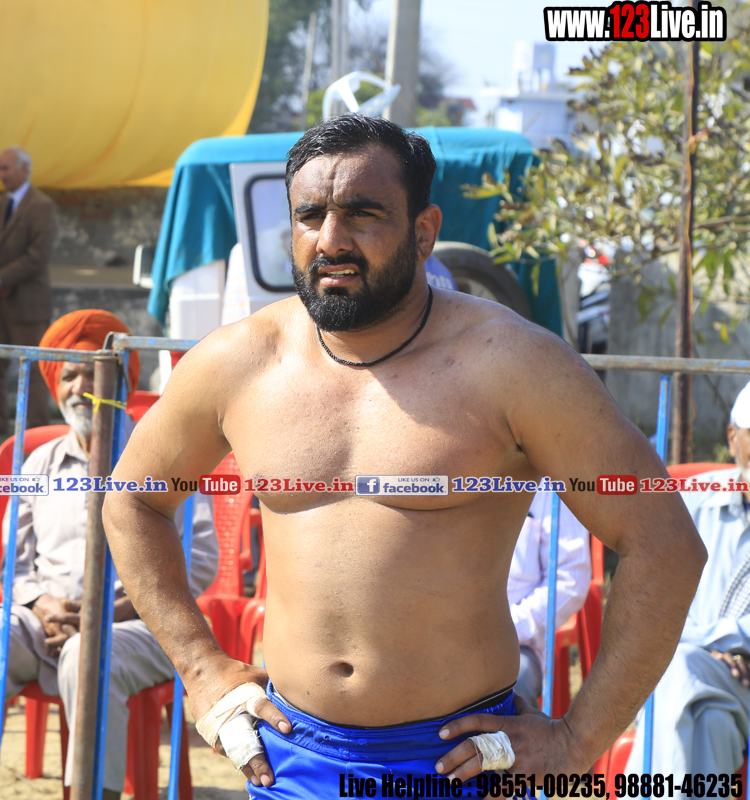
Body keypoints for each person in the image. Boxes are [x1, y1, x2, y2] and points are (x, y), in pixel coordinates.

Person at [102, 114, 706, 787]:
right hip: (291, 758)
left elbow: (663, 542)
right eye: (310, 215)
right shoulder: (240, 360)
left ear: (424, 232)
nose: (331, 239)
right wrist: (201, 667)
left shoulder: (515, 365)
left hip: (457, 763)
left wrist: (575, 741)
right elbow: (131, 501)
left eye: (363, 214)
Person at [0, 309, 217, 800]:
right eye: (69, 375)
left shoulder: (165, 455)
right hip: (48, 624)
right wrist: (42, 605)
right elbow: (14, 563)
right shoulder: (40, 463)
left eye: (93, 374)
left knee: (86, 654)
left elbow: (200, 558)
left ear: (122, 382)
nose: (81, 387)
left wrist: (110, 613)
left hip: (142, 628)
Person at [627, 381, 750, 774]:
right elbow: (651, 603)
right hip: (693, 673)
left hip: (738, 676)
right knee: (711, 722)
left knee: (678, 666)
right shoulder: (694, 502)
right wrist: (710, 650)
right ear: (732, 438)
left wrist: (698, 645)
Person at [0, 146, 56, 434]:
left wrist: (3, 278)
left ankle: (35, 427)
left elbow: (38, 256)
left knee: (33, 367)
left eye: (6, 168)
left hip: (27, 304)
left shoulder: (41, 206)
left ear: (24, 169)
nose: (1, 174)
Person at [507, 490, 591, 708]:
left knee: (509, 687)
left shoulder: (553, 487)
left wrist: (504, 630)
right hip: (436, 640)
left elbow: (569, 581)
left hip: (515, 645)